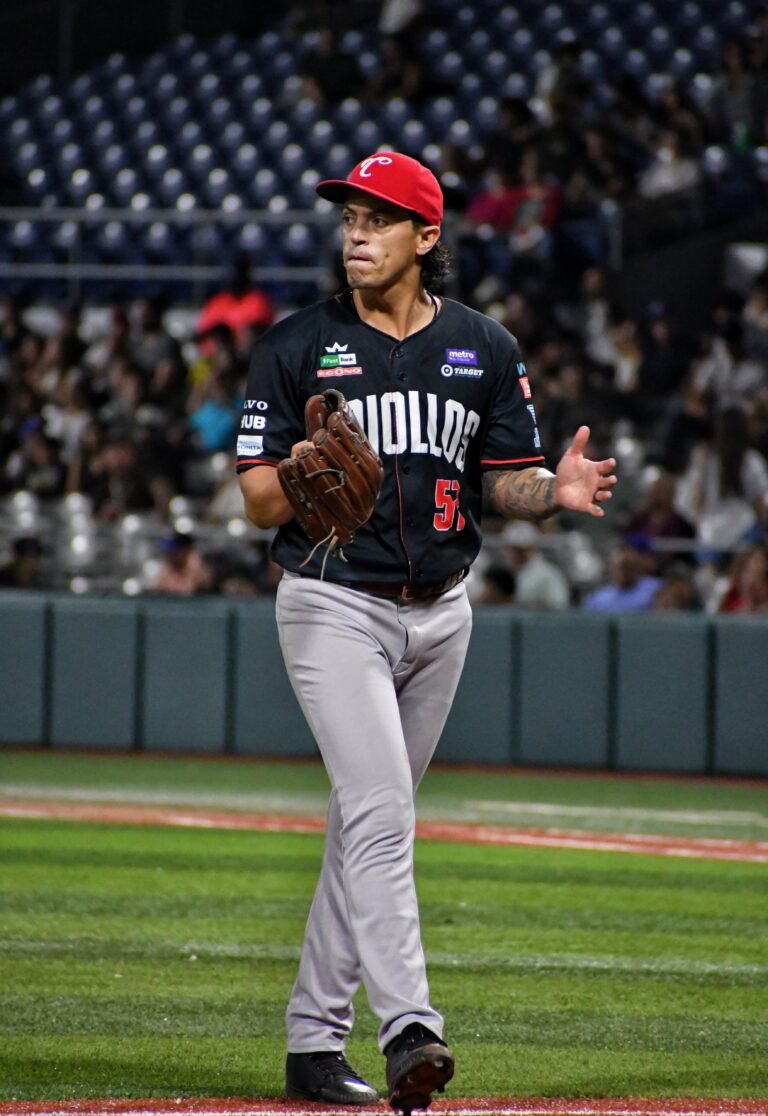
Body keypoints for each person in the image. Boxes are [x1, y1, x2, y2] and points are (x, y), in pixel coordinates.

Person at [236, 151, 616, 1112]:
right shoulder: (295, 344)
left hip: (442, 614)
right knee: (381, 814)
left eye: (377, 218)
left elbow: (506, 478)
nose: (355, 234)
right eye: (347, 218)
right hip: (331, 602)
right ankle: (412, 1027)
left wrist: (552, 494)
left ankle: (313, 1045)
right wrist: (302, 472)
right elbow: (252, 501)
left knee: (364, 823)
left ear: (427, 235)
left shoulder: (483, 348)